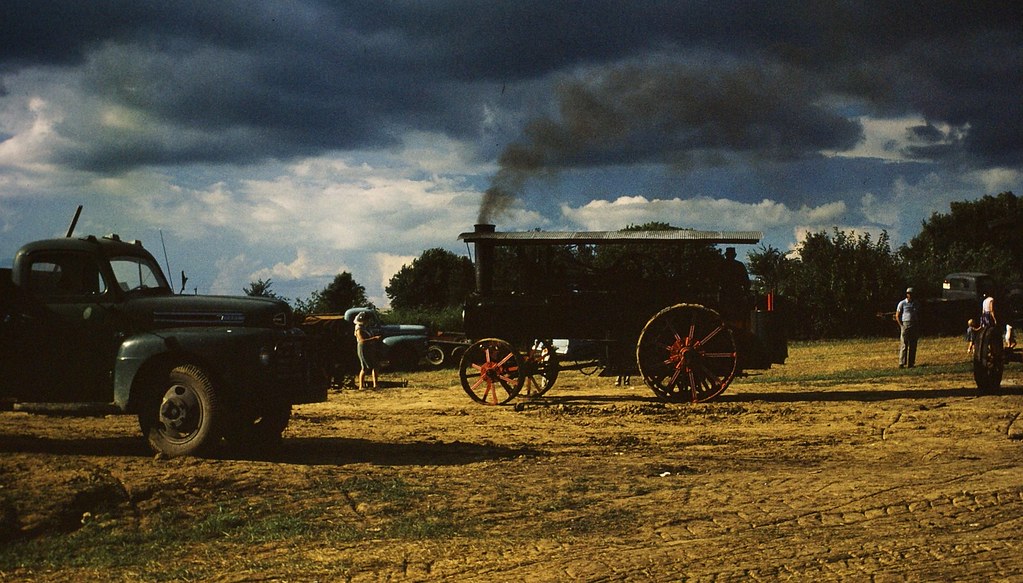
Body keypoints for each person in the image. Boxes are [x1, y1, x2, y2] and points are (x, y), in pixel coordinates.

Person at [353, 311, 382, 389]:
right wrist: (374, 338)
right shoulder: (358, 328)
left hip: (369, 347)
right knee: (365, 367)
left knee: (375, 365)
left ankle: (375, 385)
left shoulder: (365, 327)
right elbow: (361, 340)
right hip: (363, 347)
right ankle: (361, 386)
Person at [894, 287, 920, 368]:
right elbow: (897, 315)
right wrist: (901, 325)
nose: (910, 295)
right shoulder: (902, 303)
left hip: (914, 324)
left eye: (911, 294)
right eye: (909, 293)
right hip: (905, 324)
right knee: (904, 344)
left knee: (913, 344)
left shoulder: (916, 303)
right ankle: (901, 363)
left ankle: (911, 363)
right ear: (907, 294)